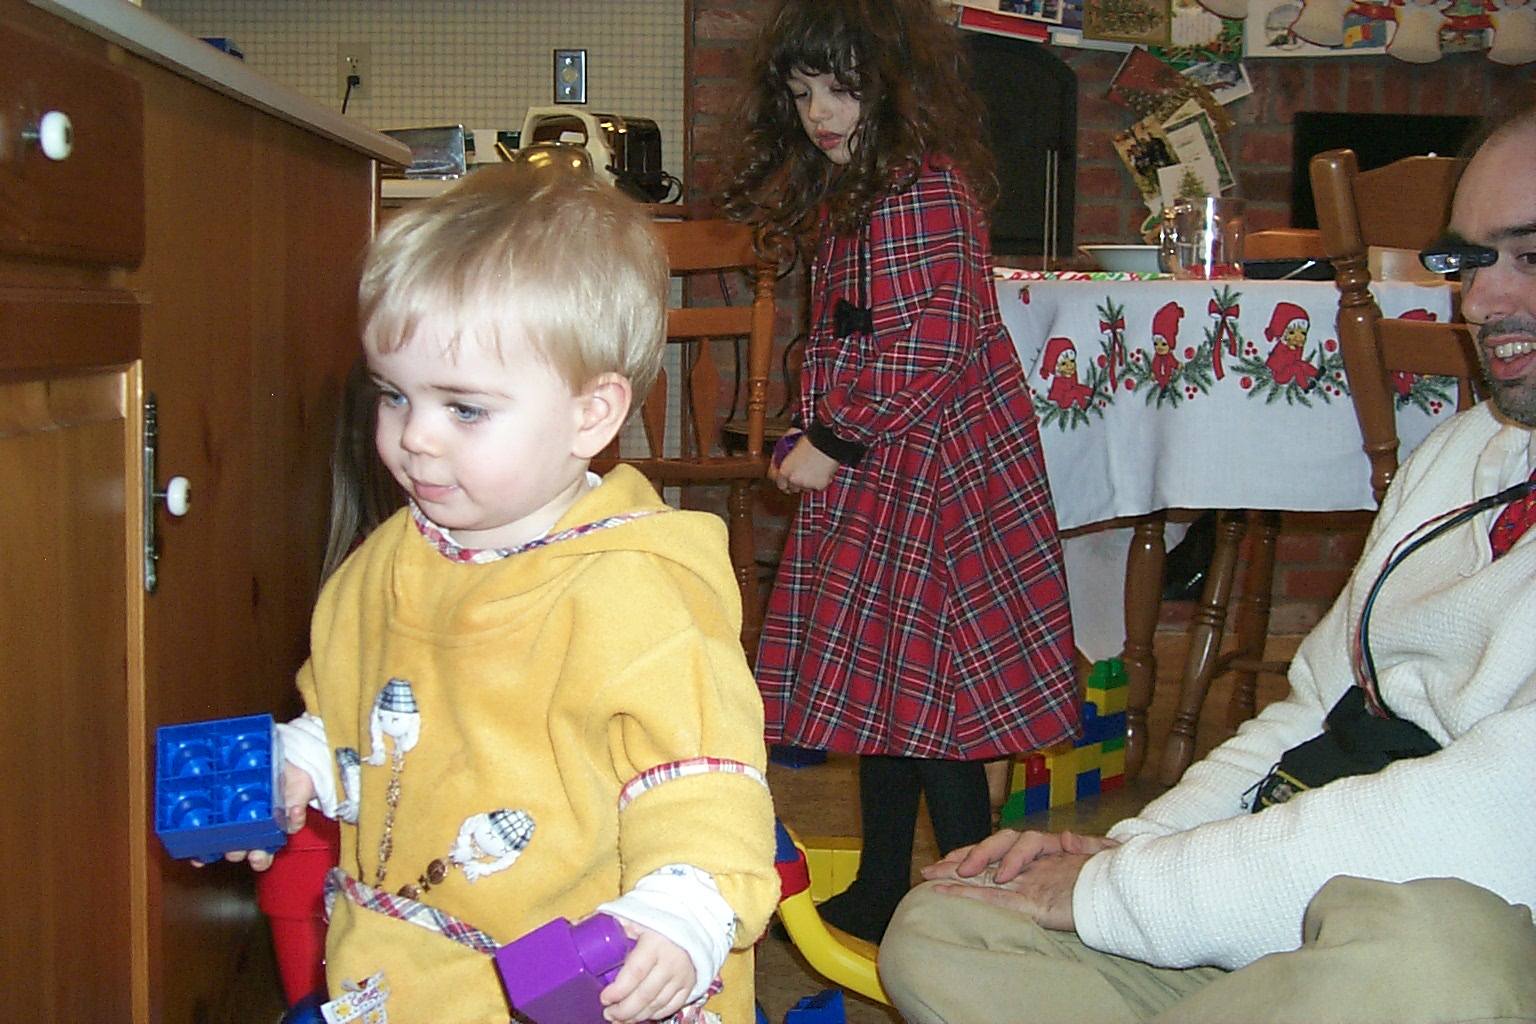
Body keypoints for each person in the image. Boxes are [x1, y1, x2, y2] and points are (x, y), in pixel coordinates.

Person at [877, 109, 1536, 1023]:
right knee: (947, 924)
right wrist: (1133, 853)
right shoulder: (1461, 455)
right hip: (1293, 912)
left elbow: (1496, 823)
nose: (1484, 300)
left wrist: (1118, 896)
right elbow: (1315, 711)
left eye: (1529, 256)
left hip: (1448, 921)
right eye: (1471, 260)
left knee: (1432, 965)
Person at [219, 164, 780, 1024]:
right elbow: (358, 711)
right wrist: (300, 762)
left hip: (586, 985)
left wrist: (682, 913)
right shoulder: (389, 561)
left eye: (465, 409)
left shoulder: (637, 591)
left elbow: (703, 783)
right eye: (395, 395)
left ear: (591, 416)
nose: (414, 437)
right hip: (412, 973)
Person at [722, 0, 1078, 944]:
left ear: (895, 91)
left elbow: (932, 340)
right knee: (890, 690)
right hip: (890, 462)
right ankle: (886, 883)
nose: (820, 113)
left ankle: (975, 905)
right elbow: (858, 332)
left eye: (842, 90)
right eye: (803, 92)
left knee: (934, 701)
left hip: (932, 473)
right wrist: (814, 426)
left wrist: (834, 438)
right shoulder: (860, 188)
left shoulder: (920, 188)